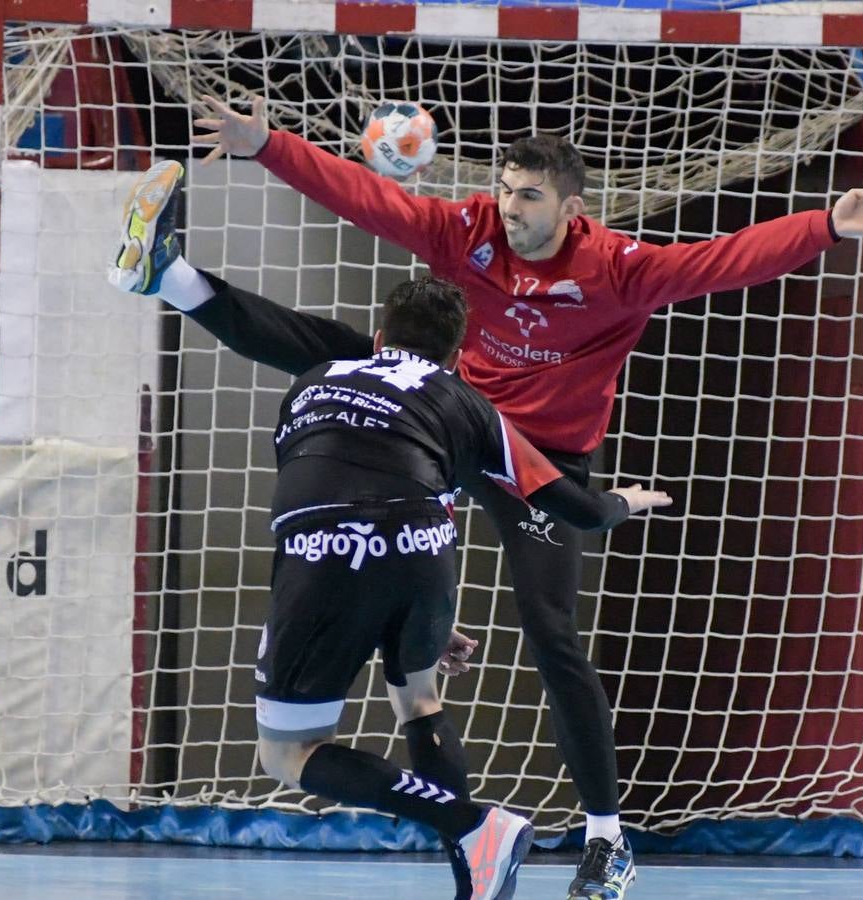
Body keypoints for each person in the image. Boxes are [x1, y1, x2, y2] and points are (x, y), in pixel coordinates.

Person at [185, 96, 863, 900]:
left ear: (572, 209)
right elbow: (372, 199)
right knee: (347, 359)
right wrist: (268, 146)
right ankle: (468, 840)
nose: (510, 207)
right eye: (504, 189)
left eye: (528, 196)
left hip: (542, 459)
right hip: (455, 433)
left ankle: (607, 841)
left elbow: (725, 257)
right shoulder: (467, 234)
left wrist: (826, 226)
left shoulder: (620, 270)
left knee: (550, 631)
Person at [111, 160, 673, 900]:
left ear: (378, 338)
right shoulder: (469, 405)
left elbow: (285, 392)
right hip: (426, 549)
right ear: (455, 356)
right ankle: (486, 859)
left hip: (337, 544)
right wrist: (626, 502)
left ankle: (174, 278)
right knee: (428, 691)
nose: (508, 207)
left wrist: (266, 148)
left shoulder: (331, 369)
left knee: (289, 753)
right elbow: (581, 507)